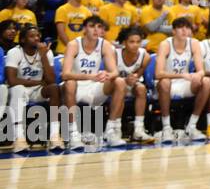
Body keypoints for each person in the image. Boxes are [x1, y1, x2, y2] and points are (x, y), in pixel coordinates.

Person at [61, 16, 125, 151]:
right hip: (76, 87)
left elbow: (115, 72)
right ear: (84, 29)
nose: (96, 30)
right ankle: (73, 134)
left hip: (94, 87)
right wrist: (90, 76)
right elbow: (65, 74)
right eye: (92, 26)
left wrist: (107, 75)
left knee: (119, 82)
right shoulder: (74, 44)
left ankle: (111, 130)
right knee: (70, 83)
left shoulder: (105, 44)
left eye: (99, 27)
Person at [154, 16, 210, 143]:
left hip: (184, 82)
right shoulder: (165, 44)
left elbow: (201, 70)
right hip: (167, 84)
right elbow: (158, 74)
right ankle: (166, 128)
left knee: (206, 81)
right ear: (173, 31)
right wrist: (181, 75)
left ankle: (191, 126)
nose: (184, 31)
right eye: (180, 28)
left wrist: (198, 75)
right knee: (164, 82)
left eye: (187, 28)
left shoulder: (194, 43)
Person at [4, 25, 58, 154]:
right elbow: (12, 80)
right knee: (18, 89)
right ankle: (19, 137)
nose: (37, 38)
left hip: (37, 91)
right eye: (32, 36)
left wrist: (44, 56)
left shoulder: (46, 52)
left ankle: (55, 135)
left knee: (54, 89)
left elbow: (51, 81)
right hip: (18, 91)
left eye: (38, 36)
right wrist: (38, 81)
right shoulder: (14, 52)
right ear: (22, 40)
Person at [114, 27, 155, 144]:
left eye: (138, 42)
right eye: (132, 42)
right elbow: (110, 76)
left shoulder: (145, 56)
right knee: (120, 87)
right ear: (124, 43)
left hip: (130, 85)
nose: (135, 45)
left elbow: (137, 76)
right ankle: (116, 129)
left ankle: (139, 129)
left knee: (141, 89)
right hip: (115, 85)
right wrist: (124, 80)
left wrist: (133, 79)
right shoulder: (114, 54)